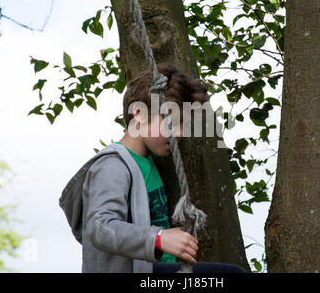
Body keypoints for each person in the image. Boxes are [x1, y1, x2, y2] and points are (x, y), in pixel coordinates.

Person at [59, 62, 246, 273]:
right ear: (139, 113)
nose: (181, 133)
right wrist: (159, 238)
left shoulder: (148, 163)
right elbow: (100, 227)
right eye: (173, 123)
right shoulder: (112, 166)